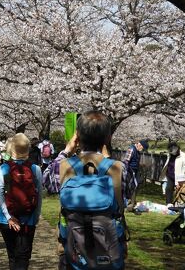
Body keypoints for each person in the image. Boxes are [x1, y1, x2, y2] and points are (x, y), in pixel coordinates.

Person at [55, 111, 126, 270]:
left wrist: (66, 150)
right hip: (110, 248)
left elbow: (47, 180)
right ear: (108, 138)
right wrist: (107, 160)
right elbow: (126, 195)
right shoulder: (119, 168)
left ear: (77, 136)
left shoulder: (63, 166)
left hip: (72, 249)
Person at [0, 133, 42, 270]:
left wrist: (9, 217)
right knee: (24, 256)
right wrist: (36, 216)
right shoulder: (35, 169)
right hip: (29, 219)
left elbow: (0, 195)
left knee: (12, 255)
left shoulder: (4, 168)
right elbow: (38, 196)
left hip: (6, 220)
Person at [124, 139, 148, 211]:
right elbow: (126, 161)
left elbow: (135, 161)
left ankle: (132, 203)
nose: (142, 150)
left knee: (136, 185)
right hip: (129, 171)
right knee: (131, 187)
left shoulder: (138, 151)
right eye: (142, 149)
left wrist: (140, 165)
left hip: (135, 171)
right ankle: (129, 204)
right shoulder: (131, 149)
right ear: (139, 145)